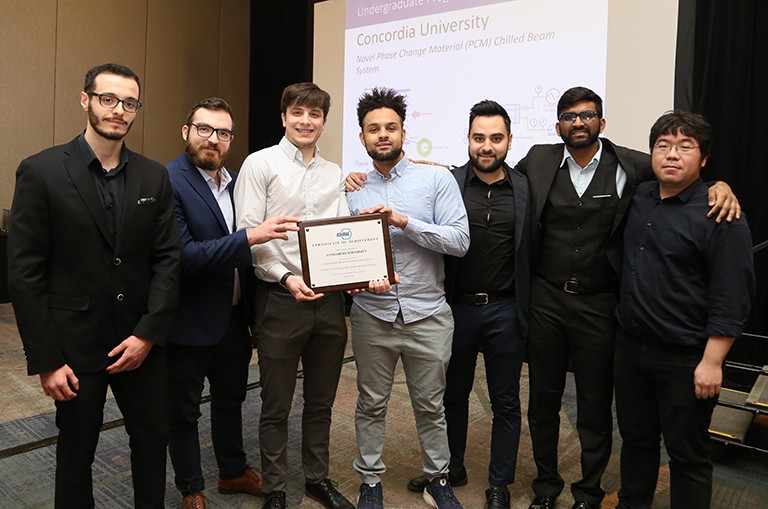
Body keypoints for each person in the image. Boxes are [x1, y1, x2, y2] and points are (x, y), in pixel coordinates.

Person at [517, 86, 739, 509]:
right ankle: (546, 487)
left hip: (600, 307)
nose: (577, 122)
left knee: (595, 405)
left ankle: (588, 491)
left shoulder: (634, 165)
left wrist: (722, 185)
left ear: (602, 122)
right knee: (543, 400)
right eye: (569, 116)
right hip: (546, 301)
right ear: (558, 124)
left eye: (587, 115)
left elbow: (685, 177)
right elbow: (497, 176)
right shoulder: (539, 160)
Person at [7, 63, 180, 508]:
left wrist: (147, 333)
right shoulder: (41, 171)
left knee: (152, 440)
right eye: (108, 99)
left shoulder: (153, 176)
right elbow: (25, 274)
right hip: (73, 346)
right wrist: (46, 359)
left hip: (138, 342)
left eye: (129, 103)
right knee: (76, 450)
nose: (118, 110)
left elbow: (166, 261)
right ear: (85, 100)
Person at [613, 110, 753, 509]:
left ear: (704, 159)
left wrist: (712, 362)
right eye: (663, 146)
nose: (672, 155)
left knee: (687, 456)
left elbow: (732, 298)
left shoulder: (722, 217)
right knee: (636, 442)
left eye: (685, 147)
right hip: (631, 350)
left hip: (687, 359)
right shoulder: (639, 195)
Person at [166, 97, 301, 509]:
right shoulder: (167, 180)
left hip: (234, 319)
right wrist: (248, 238)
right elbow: (182, 257)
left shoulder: (239, 180)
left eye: (223, 133)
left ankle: (232, 472)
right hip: (188, 320)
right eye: (204, 129)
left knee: (231, 401)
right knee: (184, 411)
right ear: (186, 131)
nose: (213, 139)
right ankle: (192, 488)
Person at [346, 87, 470, 509]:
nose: (383, 135)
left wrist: (403, 220)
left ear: (404, 131)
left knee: (431, 405)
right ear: (362, 137)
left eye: (391, 127)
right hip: (371, 314)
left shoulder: (437, 179)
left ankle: (438, 478)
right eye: (373, 129)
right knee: (370, 403)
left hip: (427, 313)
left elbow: (459, 241)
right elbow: (341, 256)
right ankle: (371, 481)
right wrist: (358, 280)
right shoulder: (351, 189)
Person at [233, 82, 355, 509]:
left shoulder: (335, 173)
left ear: (324, 121)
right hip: (280, 300)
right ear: (283, 117)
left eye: (315, 115)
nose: (306, 121)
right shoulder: (259, 164)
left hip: (329, 303)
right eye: (298, 113)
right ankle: (276, 488)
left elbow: (344, 236)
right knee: (276, 404)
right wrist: (286, 277)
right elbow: (250, 234)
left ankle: (316, 479)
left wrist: (354, 271)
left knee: (321, 402)